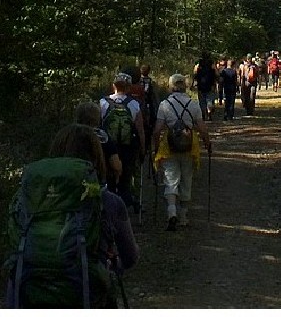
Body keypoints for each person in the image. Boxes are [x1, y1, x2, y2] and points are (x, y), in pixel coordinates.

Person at [5, 124, 139, 307]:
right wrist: (109, 266)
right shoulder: (109, 201)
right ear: (96, 157)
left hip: (28, 295)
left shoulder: (26, 199)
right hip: (88, 298)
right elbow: (130, 257)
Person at [152, 74, 211, 231]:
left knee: (170, 179)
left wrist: (156, 147)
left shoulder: (164, 105)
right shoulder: (193, 104)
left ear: (171, 87)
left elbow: (157, 131)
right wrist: (208, 144)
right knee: (186, 179)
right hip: (189, 146)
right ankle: (183, 216)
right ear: (185, 86)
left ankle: (171, 212)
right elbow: (202, 128)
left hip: (169, 147)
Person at [100, 72, 146, 211]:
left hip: (108, 147)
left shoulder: (103, 103)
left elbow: (97, 127)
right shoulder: (134, 104)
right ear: (129, 87)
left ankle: (109, 207)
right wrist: (143, 148)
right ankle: (123, 208)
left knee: (109, 178)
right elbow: (140, 130)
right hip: (127, 147)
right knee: (125, 178)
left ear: (114, 86)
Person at [76, 100, 122, 189]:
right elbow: (116, 165)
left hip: (73, 182)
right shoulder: (102, 136)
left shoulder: (69, 134)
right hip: (99, 183)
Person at [192, 51, 218, 121]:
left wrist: (193, 84)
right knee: (209, 99)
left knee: (202, 100)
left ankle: (203, 113)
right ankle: (209, 113)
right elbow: (216, 74)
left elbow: (194, 75)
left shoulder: (199, 65)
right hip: (210, 85)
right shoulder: (212, 65)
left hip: (201, 85)